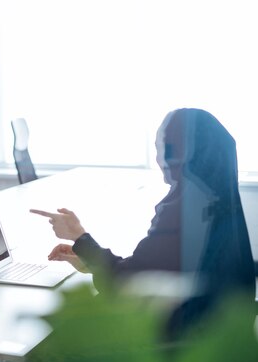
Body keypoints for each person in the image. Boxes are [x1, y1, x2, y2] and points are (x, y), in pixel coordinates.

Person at [31, 108, 255, 334]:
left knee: (60, 328)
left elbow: (124, 284)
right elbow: (154, 268)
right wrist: (89, 261)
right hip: (218, 338)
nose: (159, 159)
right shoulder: (217, 196)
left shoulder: (183, 209)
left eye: (163, 148)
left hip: (179, 344)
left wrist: (78, 235)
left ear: (180, 153)